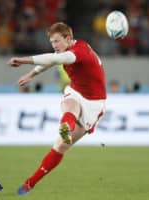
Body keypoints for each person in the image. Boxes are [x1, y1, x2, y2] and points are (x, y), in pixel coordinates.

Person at [7, 22, 107, 195]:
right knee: (69, 106)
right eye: (52, 42)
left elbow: (53, 59)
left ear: (68, 39)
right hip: (76, 91)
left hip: (94, 103)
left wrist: (22, 61)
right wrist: (31, 74)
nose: (54, 45)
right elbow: (52, 59)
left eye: (57, 41)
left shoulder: (77, 53)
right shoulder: (69, 48)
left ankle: (66, 127)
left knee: (61, 148)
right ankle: (29, 184)